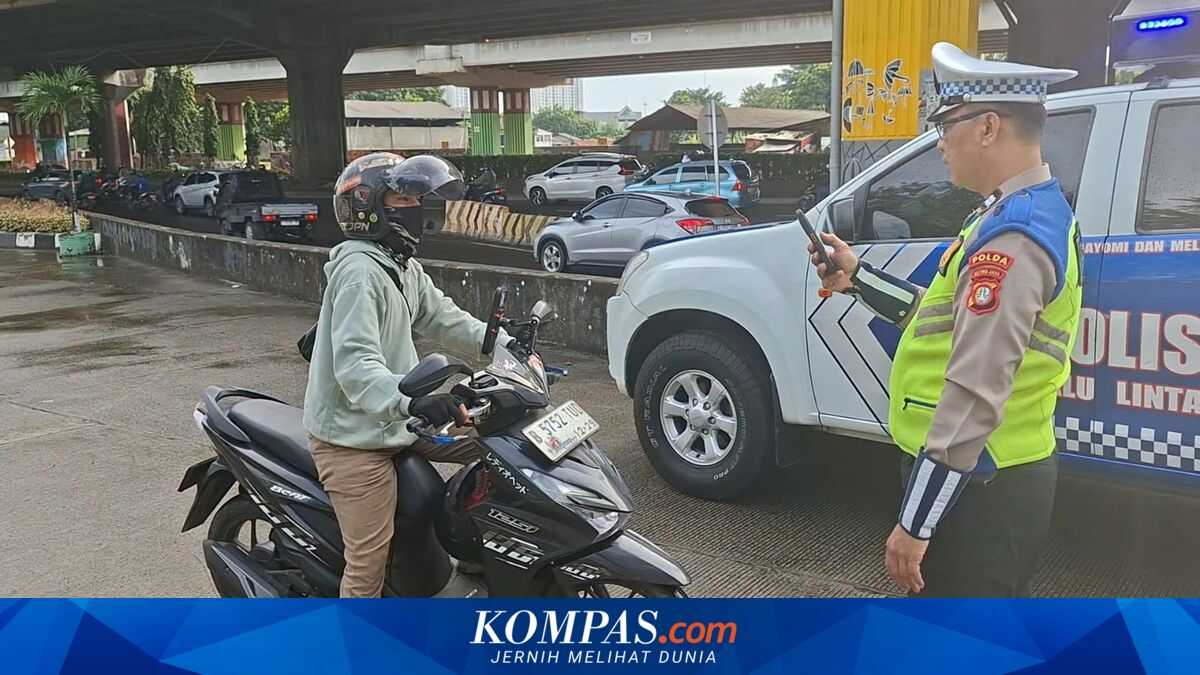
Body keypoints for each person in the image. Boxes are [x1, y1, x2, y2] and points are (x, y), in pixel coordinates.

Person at [808, 42, 1083, 597]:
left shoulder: (1012, 238)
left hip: (979, 483)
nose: (939, 142)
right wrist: (856, 276)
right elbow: (942, 321)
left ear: (987, 127)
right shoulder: (1012, 214)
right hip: (981, 474)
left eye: (946, 124)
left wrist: (917, 523)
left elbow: (975, 390)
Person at [302, 152, 497, 598]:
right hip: (354, 439)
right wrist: (411, 401)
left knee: (501, 444)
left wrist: (502, 344)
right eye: (404, 195)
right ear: (370, 206)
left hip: (398, 418)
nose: (418, 204)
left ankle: (473, 560)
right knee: (368, 560)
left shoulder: (400, 263)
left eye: (418, 195)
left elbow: (443, 317)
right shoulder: (357, 273)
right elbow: (355, 365)